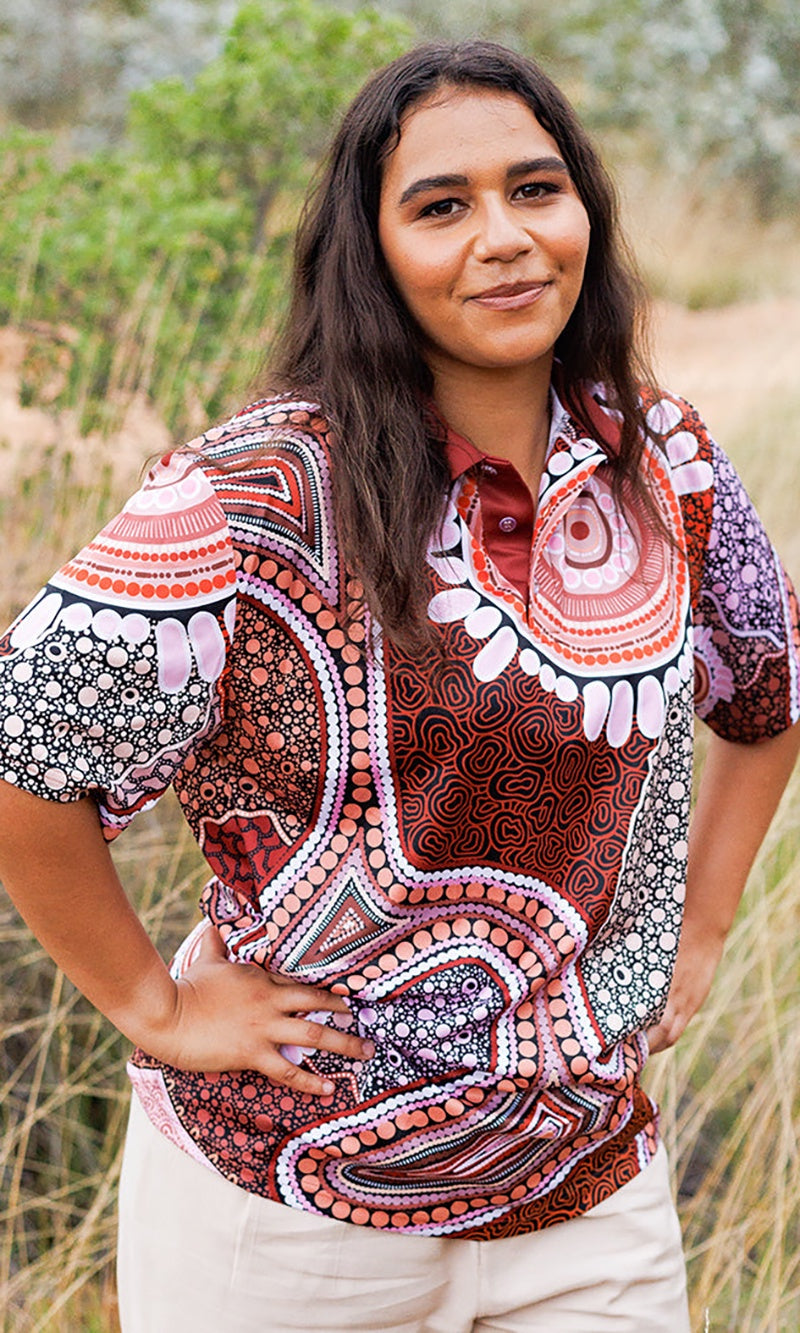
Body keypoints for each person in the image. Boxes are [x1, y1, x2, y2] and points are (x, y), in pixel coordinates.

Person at [0, 39, 798, 1333]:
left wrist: (695, 931)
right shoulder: (254, 499)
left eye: (537, 190)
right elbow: (26, 751)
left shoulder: (667, 462)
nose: (505, 237)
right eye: (442, 206)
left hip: (589, 1200)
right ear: (371, 252)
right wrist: (153, 1003)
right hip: (288, 1218)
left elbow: (766, 693)